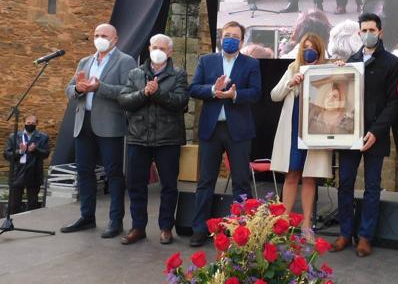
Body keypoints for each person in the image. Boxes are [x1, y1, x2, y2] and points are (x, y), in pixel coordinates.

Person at [331, 13, 398, 257]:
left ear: (380, 32)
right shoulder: (351, 60)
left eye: (372, 29)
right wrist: (339, 72)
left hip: (376, 135)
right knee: (345, 184)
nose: (368, 34)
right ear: (359, 33)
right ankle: (344, 233)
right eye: (364, 30)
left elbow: (394, 103)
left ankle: (365, 237)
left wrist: (376, 131)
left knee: (372, 187)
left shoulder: (392, 63)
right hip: (348, 134)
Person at [189, 21, 262, 247]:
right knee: (205, 181)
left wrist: (233, 95)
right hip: (211, 130)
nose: (229, 39)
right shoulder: (206, 60)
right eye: (226, 35)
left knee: (241, 181)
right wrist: (213, 90)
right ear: (221, 37)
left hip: (238, 131)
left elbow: (256, 93)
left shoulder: (251, 63)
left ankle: (242, 230)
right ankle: (200, 228)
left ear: (242, 41)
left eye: (235, 36)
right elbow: (193, 88)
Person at [61, 23, 135, 237]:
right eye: (96, 35)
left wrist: (99, 87)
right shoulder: (85, 61)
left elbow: (128, 91)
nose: (99, 38)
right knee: (84, 171)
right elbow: (69, 89)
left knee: (113, 173)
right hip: (83, 122)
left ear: (115, 39)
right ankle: (87, 217)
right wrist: (78, 88)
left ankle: (115, 221)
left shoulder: (125, 61)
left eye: (104, 35)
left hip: (109, 124)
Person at [117, 34, 189, 245]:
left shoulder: (178, 74)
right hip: (138, 138)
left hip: (168, 139)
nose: (157, 50)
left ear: (170, 52)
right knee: (136, 184)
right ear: (148, 48)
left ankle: (166, 227)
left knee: (168, 185)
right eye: (154, 47)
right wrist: (144, 93)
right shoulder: (135, 73)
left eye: (162, 48)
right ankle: (138, 227)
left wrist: (156, 93)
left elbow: (180, 101)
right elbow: (124, 99)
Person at [270, 33, 332, 242]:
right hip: (294, 129)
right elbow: (274, 95)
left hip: (315, 129)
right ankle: (284, 222)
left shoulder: (328, 69)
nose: (309, 51)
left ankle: (307, 224)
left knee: (309, 176)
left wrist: (340, 66)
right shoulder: (292, 69)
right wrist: (291, 83)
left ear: (319, 50)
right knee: (292, 175)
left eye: (312, 47)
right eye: (305, 47)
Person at [3, 114, 50, 214]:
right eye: (28, 123)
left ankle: (30, 224)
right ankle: (12, 224)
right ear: (24, 123)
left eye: (33, 123)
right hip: (17, 173)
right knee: (14, 204)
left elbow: (46, 154)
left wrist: (35, 150)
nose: (30, 125)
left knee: (32, 203)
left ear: (37, 124)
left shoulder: (43, 137)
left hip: (34, 173)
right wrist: (19, 151)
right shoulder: (14, 136)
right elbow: (7, 155)